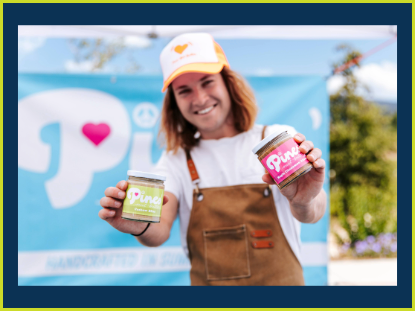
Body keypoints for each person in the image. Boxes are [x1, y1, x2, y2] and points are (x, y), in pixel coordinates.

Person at [99, 33, 326, 285]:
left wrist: (305, 201)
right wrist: (137, 223)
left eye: (207, 82)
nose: (199, 98)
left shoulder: (275, 141)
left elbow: (313, 211)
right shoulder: (175, 159)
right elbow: (159, 230)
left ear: (229, 83)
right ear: (174, 102)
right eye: (184, 91)